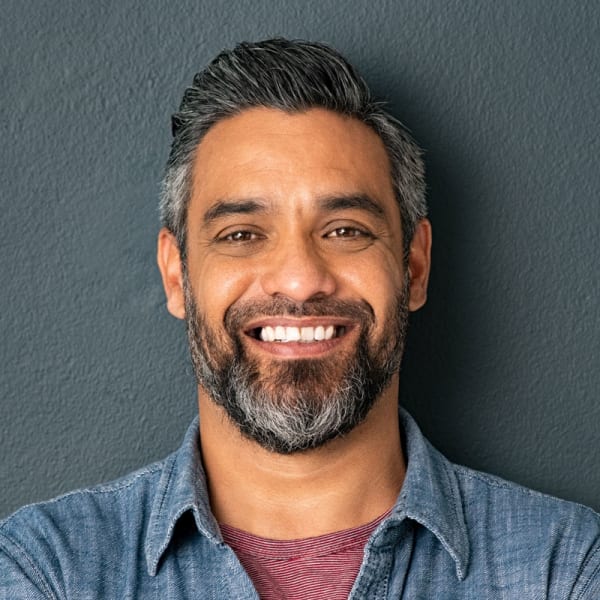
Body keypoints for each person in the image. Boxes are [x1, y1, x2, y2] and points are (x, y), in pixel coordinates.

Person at [1, 38, 598, 599]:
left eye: (344, 230)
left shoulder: (564, 570)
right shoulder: (46, 571)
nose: (299, 279)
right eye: (241, 234)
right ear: (177, 274)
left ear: (413, 267)